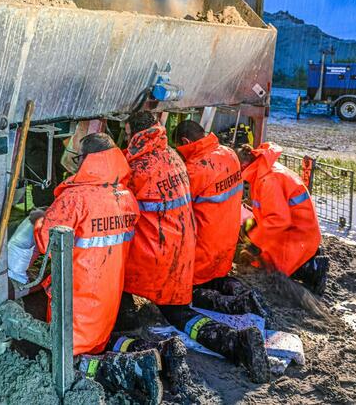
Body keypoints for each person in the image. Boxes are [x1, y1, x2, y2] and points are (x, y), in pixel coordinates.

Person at [123, 112, 269, 383]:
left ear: (133, 136)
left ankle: (233, 342)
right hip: (185, 246)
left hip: (158, 255)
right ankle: (236, 323)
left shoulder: (136, 169)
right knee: (183, 303)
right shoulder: (174, 158)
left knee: (173, 312)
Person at [23, 132, 165, 402]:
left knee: (68, 361)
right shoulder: (125, 196)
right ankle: (146, 355)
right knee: (96, 344)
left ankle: (134, 368)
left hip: (76, 307)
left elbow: (45, 243)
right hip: (107, 303)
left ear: (86, 161)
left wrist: (38, 219)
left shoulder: (74, 199)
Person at [173, 120, 265, 316]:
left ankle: (236, 306)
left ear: (185, 141)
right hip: (227, 244)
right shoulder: (229, 153)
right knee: (218, 278)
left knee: (194, 292)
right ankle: (243, 293)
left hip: (204, 248)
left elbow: (178, 211)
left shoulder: (195, 170)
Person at [237, 142, 328, 295]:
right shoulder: (263, 171)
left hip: (298, 234)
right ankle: (308, 259)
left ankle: (313, 267)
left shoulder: (267, 180)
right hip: (295, 228)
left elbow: (278, 220)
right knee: (251, 235)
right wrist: (251, 229)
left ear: (243, 166)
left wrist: (255, 243)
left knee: (272, 271)